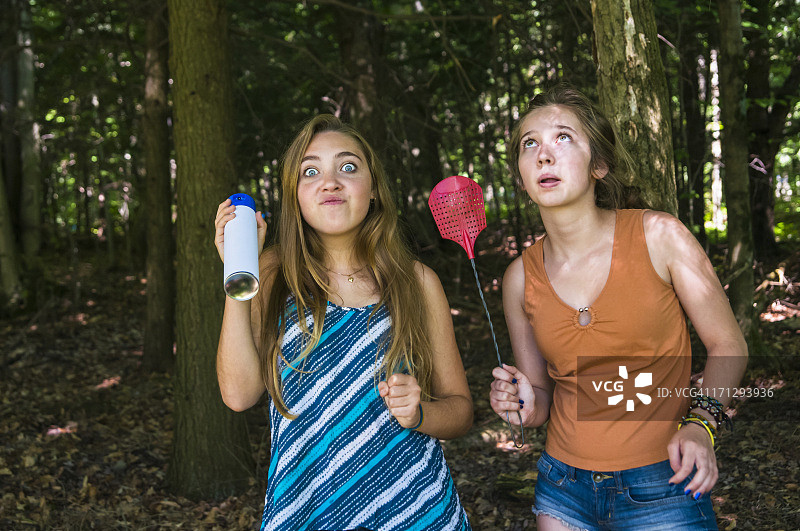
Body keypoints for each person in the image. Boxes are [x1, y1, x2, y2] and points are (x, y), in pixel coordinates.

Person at [489, 85, 748, 530]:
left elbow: (728, 344)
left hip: (666, 480)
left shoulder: (660, 237)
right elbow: (540, 398)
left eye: (563, 138)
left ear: (600, 166)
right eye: (529, 143)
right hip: (563, 488)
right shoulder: (519, 277)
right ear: (521, 173)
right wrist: (521, 404)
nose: (543, 155)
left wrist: (701, 425)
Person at [214, 114, 473, 531]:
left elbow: (460, 411)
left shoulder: (418, 282)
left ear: (373, 191)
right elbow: (238, 394)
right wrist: (237, 271)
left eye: (348, 167)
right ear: (295, 195)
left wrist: (421, 412)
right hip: (307, 510)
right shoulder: (272, 273)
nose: (330, 182)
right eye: (310, 171)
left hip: (416, 511)